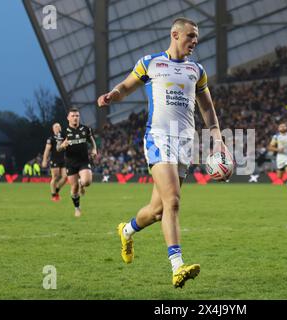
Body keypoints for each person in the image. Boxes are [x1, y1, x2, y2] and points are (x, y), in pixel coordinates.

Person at [97, 17, 230, 288]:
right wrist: (112, 95)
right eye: (191, 36)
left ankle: (126, 230)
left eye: (197, 38)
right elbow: (125, 87)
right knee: (174, 202)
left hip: (185, 144)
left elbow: (207, 109)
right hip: (158, 139)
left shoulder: (197, 70)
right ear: (175, 34)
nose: (194, 41)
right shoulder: (150, 62)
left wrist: (217, 137)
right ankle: (177, 267)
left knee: (158, 210)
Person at [56, 108, 97, 217]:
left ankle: (82, 184)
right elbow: (57, 148)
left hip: (83, 161)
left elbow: (92, 140)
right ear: (68, 118)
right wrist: (62, 146)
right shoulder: (63, 132)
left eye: (77, 116)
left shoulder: (86, 129)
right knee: (74, 188)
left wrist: (94, 149)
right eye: (73, 116)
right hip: (70, 163)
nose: (75, 118)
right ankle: (77, 208)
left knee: (87, 181)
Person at [267, 123, 287, 198]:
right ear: (278, 129)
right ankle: (286, 181)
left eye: (284, 126)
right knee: (279, 177)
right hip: (280, 157)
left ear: (286, 127)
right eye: (281, 126)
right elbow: (270, 147)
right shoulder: (276, 136)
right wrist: (277, 149)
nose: (282, 127)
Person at [42, 123, 67, 201]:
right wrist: (44, 160)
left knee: (65, 177)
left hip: (63, 160)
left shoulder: (64, 137)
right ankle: (54, 195)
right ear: (53, 129)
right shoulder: (51, 139)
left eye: (59, 126)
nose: (57, 128)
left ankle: (56, 191)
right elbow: (47, 150)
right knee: (55, 178)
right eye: (56, 127)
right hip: (54, 160)